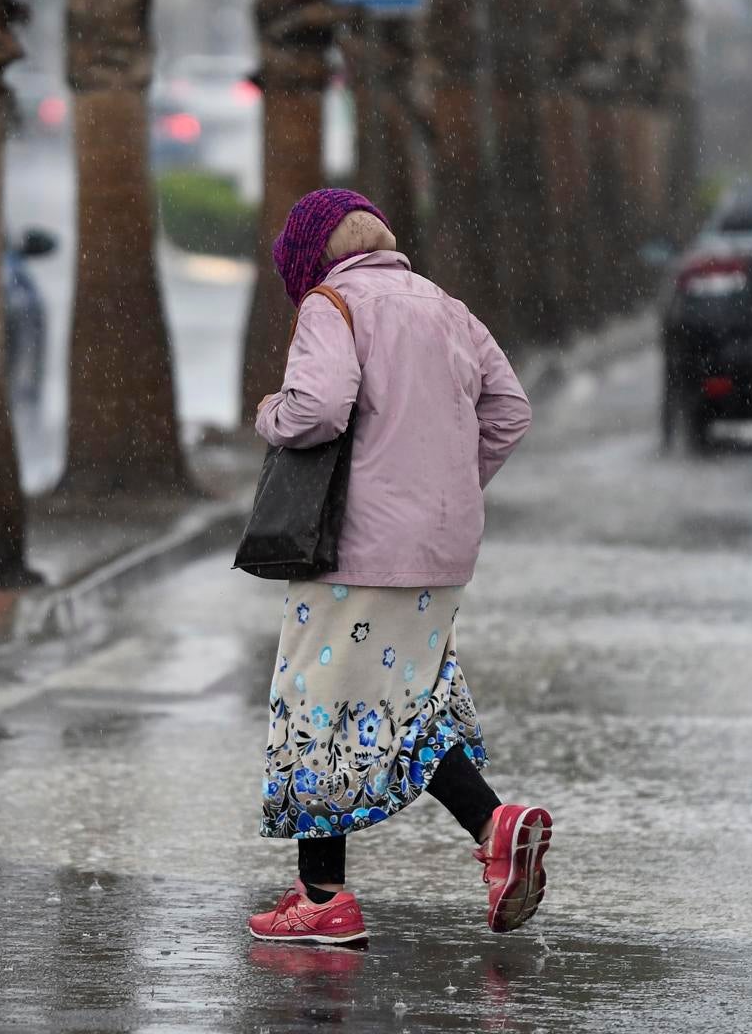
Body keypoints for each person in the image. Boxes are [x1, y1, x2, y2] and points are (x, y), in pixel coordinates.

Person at [245, 187, 546, 947]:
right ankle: (494, 828)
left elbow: (316, 409)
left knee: (320, 704)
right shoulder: (447, 307)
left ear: (313, 255)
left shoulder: (333, 305)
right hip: (441, 551)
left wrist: (269, 414)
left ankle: (323, 898)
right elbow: (509, 410)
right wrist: (444, 486)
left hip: (358, 548)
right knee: (408, 704)